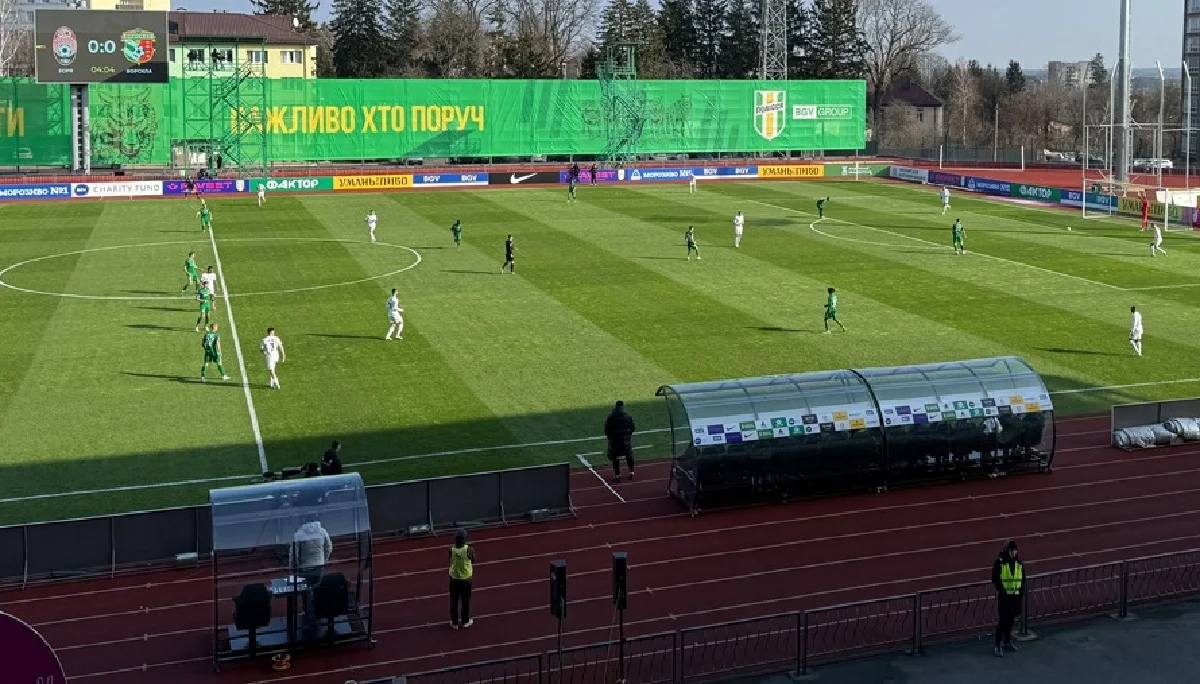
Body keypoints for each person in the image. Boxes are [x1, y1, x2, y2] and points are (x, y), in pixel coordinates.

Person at [291, 512, 334, 625]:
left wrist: (294, 567)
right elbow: (329, 548)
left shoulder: (298, 535)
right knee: (319, 591)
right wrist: (323, 561)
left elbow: (294, 554)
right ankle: (318, 615)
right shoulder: (322, 531)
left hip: (305, 569)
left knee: (306, 595)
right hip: (319, 568)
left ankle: (308, 617)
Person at [991, 540, 1025, 657]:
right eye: (1011, 550)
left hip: (1015, 598)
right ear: (1007, 551)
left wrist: (1020, 593)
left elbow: (1022, 580)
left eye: (1014, 550)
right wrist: (1002, 590)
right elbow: (995, 578)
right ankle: (997, 644)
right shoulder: (1000, 563)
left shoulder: (1019, 564)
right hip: (1005, 598)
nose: (1013, 552)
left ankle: (1006, 641)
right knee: (1002, 622)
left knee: (1010, 621)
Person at [448, 528, 476, 629]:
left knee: (454, 601)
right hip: (466, 580)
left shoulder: (451, 549)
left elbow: (450, 560)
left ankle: (454, 622)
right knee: (465, 601)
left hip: (454, 579)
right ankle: (465, 621)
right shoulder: (469, 550)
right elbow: (474, 560)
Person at [605, 400, 636, 482]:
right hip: (626, 442)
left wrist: (610, 438)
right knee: (629, 456)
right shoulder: (628, 417)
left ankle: (617, 475)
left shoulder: (610, 418)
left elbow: (607, 430)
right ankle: (631, 472)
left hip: (615, 443)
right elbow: (633, 429)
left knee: (615, 459)